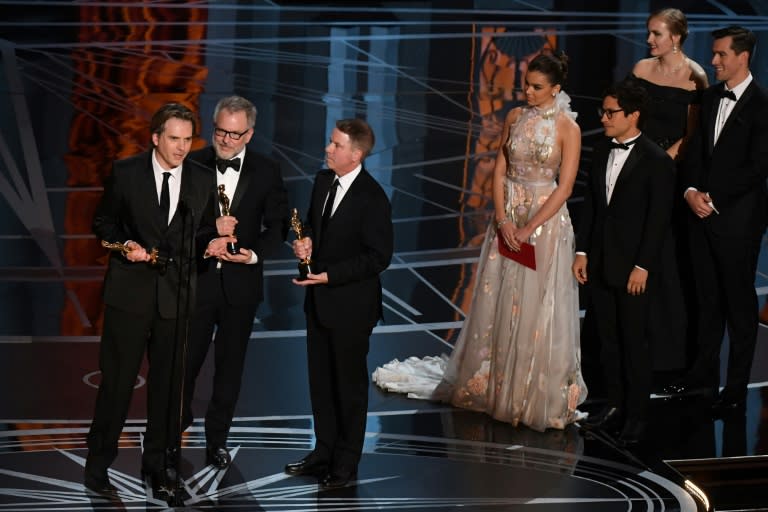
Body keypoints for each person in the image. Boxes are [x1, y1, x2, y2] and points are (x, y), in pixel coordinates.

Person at [373, 52, 587, 432]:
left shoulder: (568, 129)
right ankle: (496, 384)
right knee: (500, 301)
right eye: (526, 84)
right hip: (507, 221)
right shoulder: (515, 117)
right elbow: (500, 165)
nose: (529, 92)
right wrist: (503, 217)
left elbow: (565, 187)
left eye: (538, 87)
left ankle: (528, 392)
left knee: (538, 308)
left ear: (556, 89)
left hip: (545, 224)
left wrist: (528, 226)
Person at [85, 103, 227, 498]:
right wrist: (124, 244)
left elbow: (198, 236)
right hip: (129, 296)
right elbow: (102, 224)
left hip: (177, 298)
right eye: (174, 139)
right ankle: (97, 464)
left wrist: (211, 243)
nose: (182, 148)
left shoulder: (201, 178)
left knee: (168, 390)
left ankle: (160, 467)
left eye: (187, 140)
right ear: (155, 138)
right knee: (116, 384)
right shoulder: (126, 173)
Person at [284, 119, 393, 488]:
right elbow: (314, 227)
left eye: (335, 145)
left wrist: (329, 276)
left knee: (348, 387)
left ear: (356, 154)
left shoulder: (373, 197)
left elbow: (378, 257)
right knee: (320, 382)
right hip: (319, 302)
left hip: (351, 307)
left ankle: (346, 461)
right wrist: (305, 243)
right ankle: (324, 451)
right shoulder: (321, 181)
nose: (327, 149)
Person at [182, 96, 289, 470]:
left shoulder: (266, 170)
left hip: (241, 287)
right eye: (220, 131)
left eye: (234, 133)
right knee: (184, 363)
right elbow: (175, 225)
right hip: (197, 281)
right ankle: (175, 428)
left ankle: (217, 442)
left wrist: (254, 254)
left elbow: (277, 227)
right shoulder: (192, 162)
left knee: (230, 369)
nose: (226, 140)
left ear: (250, 134)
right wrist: (207, 239)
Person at [671, 26, 768, 414]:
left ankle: (736, 390)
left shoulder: (763, 106)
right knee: (705, 302)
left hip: (737, 220)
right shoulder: (710, 98)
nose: (713, 61)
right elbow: (695, 152)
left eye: (720, 55)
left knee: (739, 309)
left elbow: (758, 167)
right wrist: (690, 191)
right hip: (700, 215)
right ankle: (701, 381)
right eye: (713, 54)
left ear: (742, 57)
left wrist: (715, 198)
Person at [574, 78, 675, 446]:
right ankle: (614, 408)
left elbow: (658, 220)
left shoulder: (657, 161)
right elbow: (591, 206)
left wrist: (643, 266)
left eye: (610, 112)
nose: (603, 117)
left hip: (634, 270)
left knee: (634, 344)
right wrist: (582, 251)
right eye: (603, 110)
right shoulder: (602, 149)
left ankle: (636, 417)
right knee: (609, 342)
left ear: (633, 115)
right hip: (600, 262)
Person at [630, 7, 709, 377]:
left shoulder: (696, 77)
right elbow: (630, 117)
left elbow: (695, 134)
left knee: (665, 262)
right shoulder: (641, 70)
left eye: (656, 34)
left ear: (676, 37)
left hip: (670, 172)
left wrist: (661, 161)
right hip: (637, 169)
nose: (649, 41)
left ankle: (668, 356)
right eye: (649, 33)